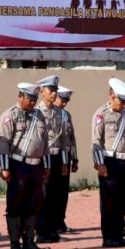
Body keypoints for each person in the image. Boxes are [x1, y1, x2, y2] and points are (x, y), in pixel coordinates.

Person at [0, 82, 52, 249]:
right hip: (18, 165)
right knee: (15, 205)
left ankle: (29, 242)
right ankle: (15, 244)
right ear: (20, 97)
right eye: (29, 99)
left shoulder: (39, 116)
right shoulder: (10, 115)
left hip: (36, 166)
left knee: (33, 205)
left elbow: (45, 142)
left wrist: (47, 164)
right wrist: (5, 167)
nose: (33, 102)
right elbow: (3, 143)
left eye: (35, 99)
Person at [92, 78, 125, 247]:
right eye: (122, 100)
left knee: (122, 200)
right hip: (109, 162)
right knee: (109, 202)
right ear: (112, 97)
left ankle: (118, 234)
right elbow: (96, 140)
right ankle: (109, 237)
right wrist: (99, 163)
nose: (124, 104)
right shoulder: (100, 114)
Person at [35, 75, 70, 243]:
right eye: (51, 90)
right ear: (42, 92)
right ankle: (42, 232)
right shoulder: (37, 113)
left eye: (56, 90)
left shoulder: (60, 113)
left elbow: (64, 139)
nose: (54, 94)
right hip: (43, 159)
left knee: (55, 196)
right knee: (43, 197)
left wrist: (64, 161)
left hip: (57, 158)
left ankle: (53, 231)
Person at [54, 86, 79, 234]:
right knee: (52, 192)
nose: (63, 104)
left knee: (62, 192)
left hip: (66, 156)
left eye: (66, 101)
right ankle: (48, 223)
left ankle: (60, 221)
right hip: (53, 156)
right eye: (62, 100)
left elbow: (71, 138)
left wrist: (75, 159)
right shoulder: (47, 113)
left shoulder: (66, 115)